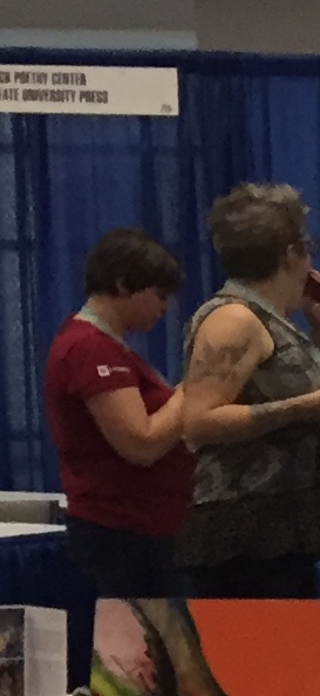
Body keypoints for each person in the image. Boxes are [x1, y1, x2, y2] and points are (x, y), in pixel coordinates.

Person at [175, 184, 320, 599]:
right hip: (247, 535)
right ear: (290, 254)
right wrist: (308, 406)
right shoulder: (234, 320)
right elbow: (197, 423)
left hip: (290, 526)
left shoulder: (276, 322)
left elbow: (319, 400)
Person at [44, 228, 190, 596]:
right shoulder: (90, 348)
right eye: (159, 295)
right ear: (124, 285)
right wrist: (195, 388)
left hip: (145, 529)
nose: (165, 308)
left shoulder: (108, 348)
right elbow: (140, 443)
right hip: (122, 536)